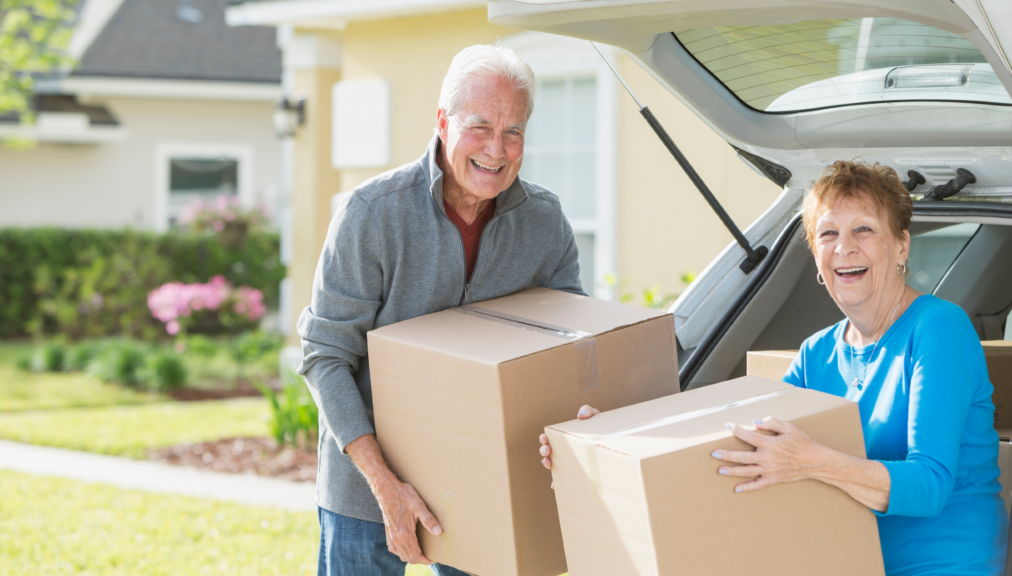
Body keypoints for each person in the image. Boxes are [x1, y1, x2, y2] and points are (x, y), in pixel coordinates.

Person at [540, 160, 1007, 575]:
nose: (844, 247)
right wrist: (613, 438)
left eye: (864, 229)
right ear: (818, 258)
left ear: (902, 246)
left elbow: (929, 486)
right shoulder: (815, 355)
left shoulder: (938, 328)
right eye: (828, 233)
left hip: (944, 564)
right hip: (843, 560)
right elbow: (736, 445)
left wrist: (812, 462)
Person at [299, 44, 584, 576]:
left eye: (514, 131)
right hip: (366, 489)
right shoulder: (372, 214)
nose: (496, 150)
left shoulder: (544, 223)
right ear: (442, 122)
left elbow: (568, 350)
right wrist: (385, 488)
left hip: (482, 491)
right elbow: (325, 356)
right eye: (480, 127)